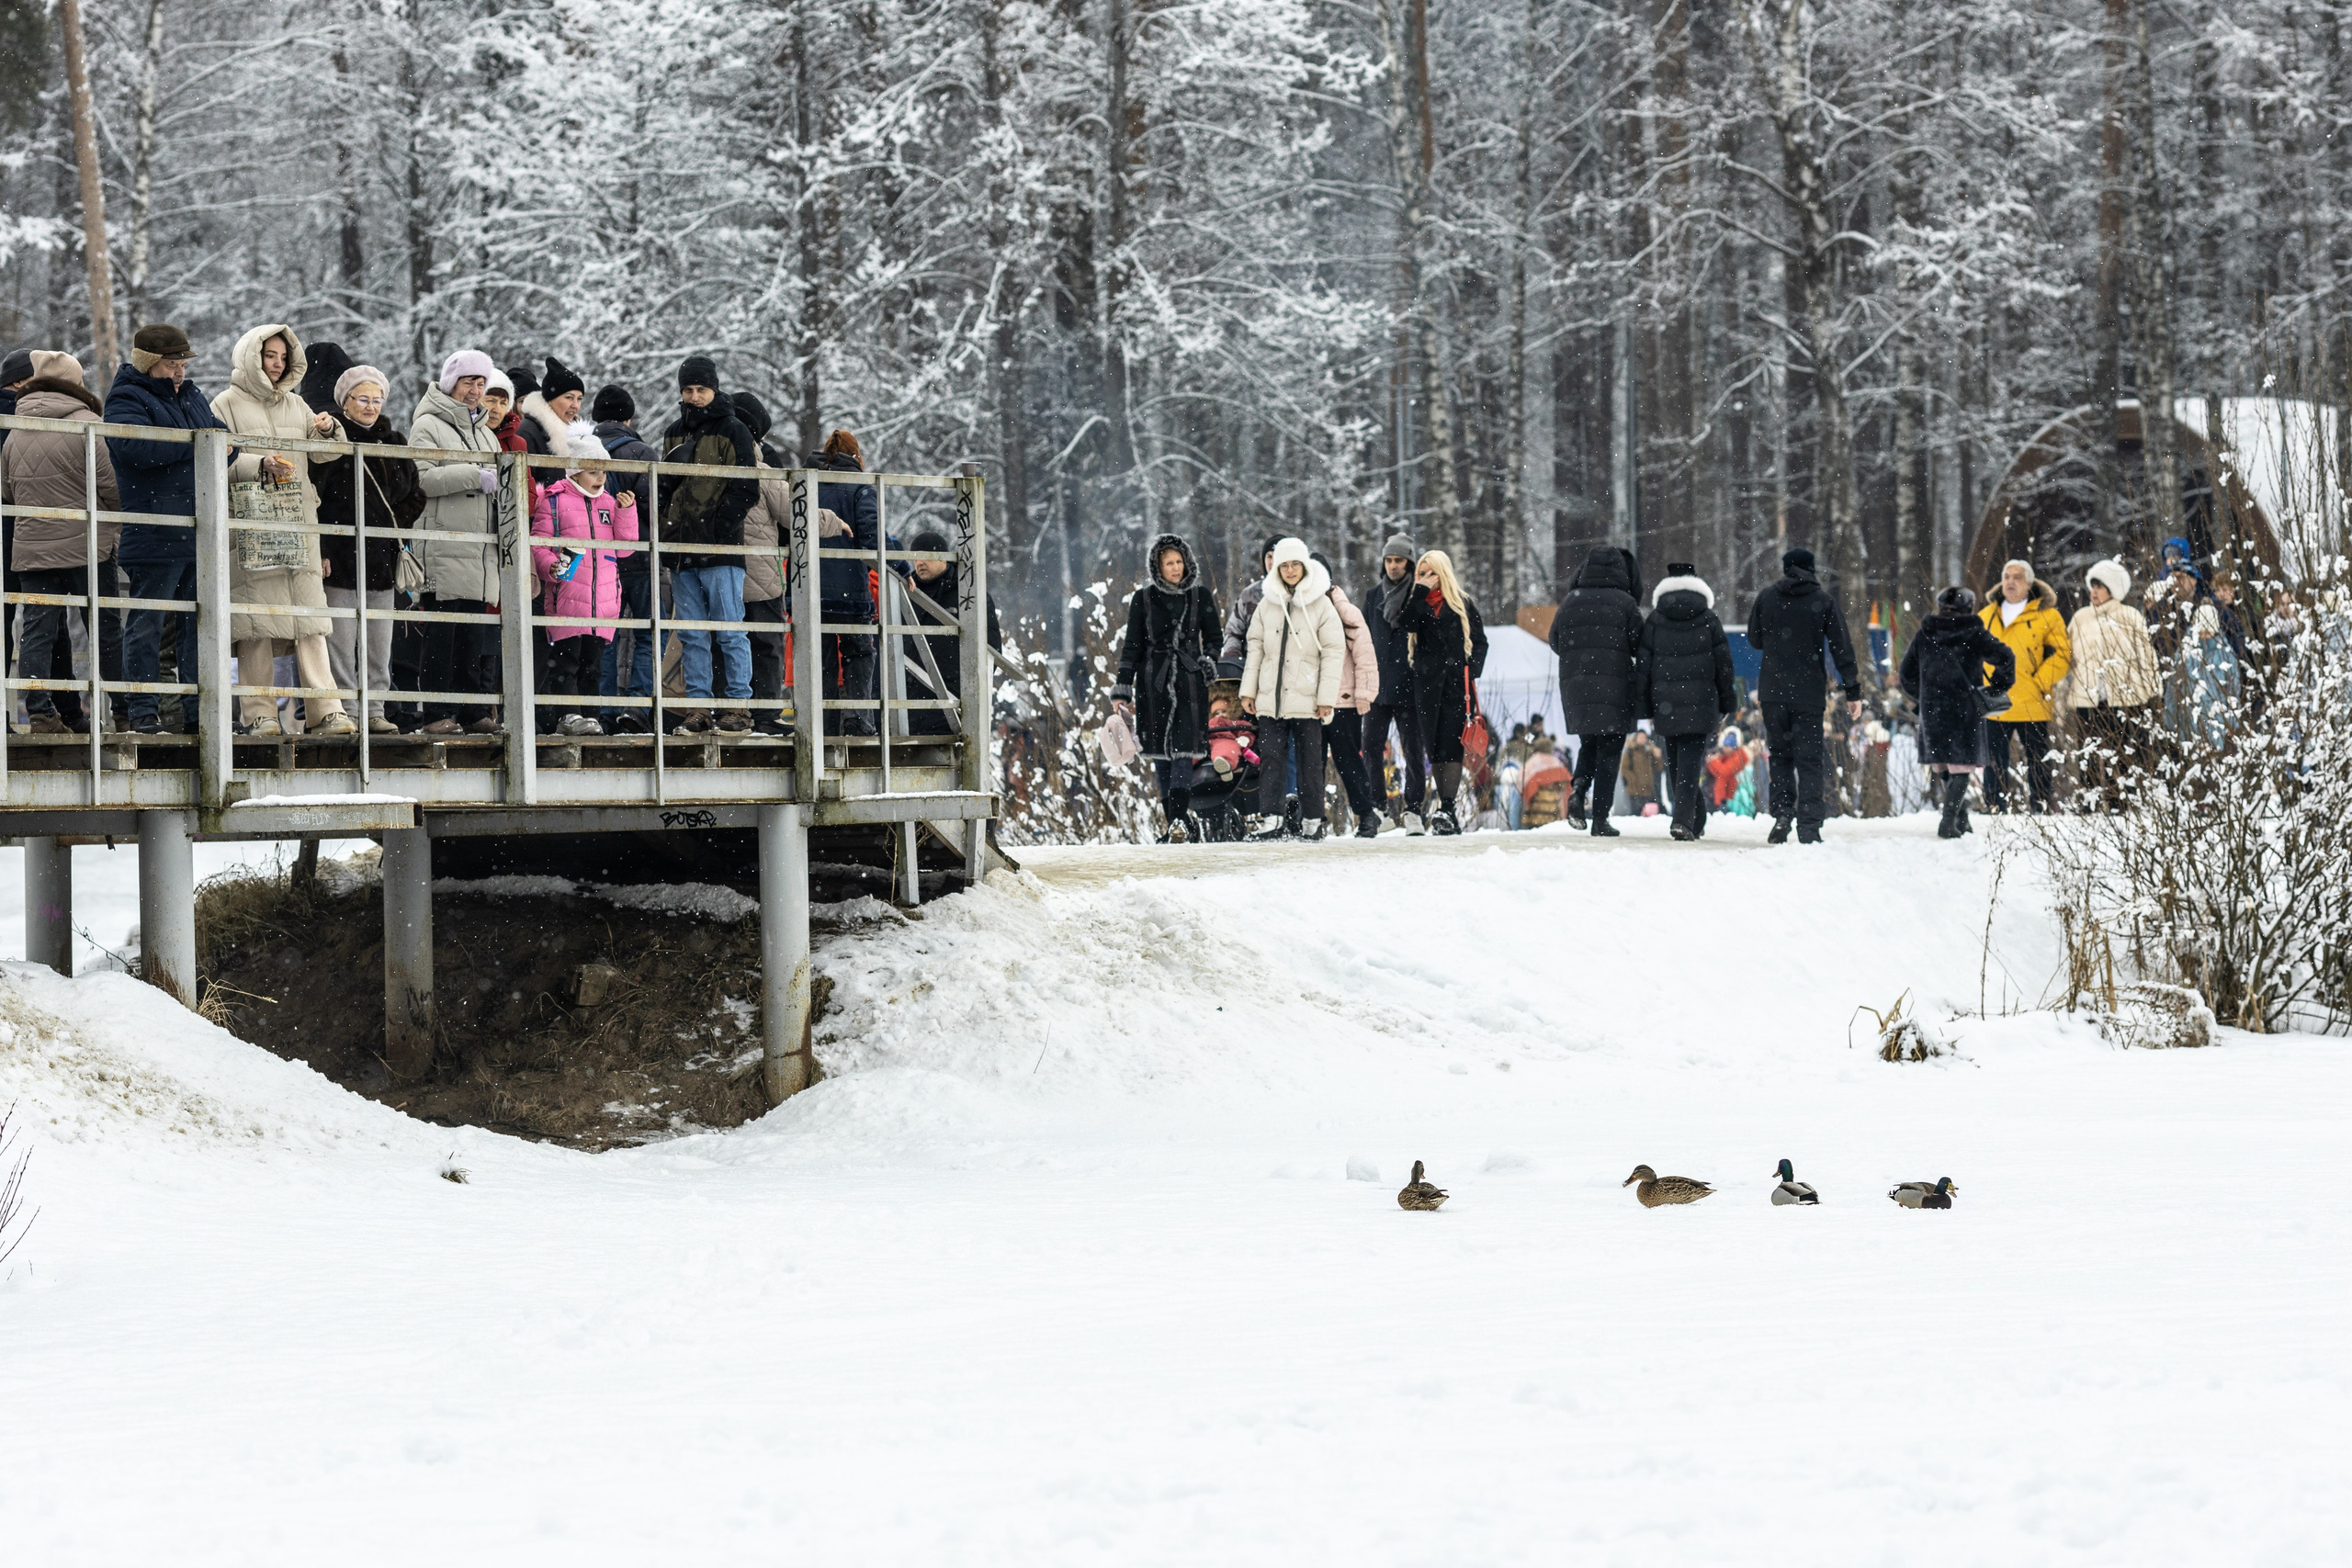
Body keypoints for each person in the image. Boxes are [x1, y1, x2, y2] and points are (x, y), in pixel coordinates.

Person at [209, 324, 355, 736]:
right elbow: (214, 458)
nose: (277, 364)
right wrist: (260, 464)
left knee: (310, 619)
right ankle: (260, 714)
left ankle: (326, 710)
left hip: (297, 519)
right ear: (251, 357)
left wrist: (327, 430)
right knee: (257, 622)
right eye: (269, 356)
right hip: (253, 520)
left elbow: (328, 455)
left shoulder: (299, 405)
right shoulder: (224, 404)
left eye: (282, 357)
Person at [106, 324, 227, 733]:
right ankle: (143, 713)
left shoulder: (190, 394)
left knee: (199, 627)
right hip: (154, 528)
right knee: (147, 626)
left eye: (182, 363)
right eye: (171, 364)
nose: (179, 371)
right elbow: (134, 448)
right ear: (148, 363)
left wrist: (211, 445)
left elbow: (223, 441)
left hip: (197, 530)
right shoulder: (126, 396)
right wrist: (199, 444)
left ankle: (198, 717)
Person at [2, 352, 122, 733]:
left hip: (32, 547)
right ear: (75, 383)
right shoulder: (89, 426)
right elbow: (114, 489)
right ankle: (123, 707)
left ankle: (38, 710)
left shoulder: (16, 426)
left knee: (38, 630)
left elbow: (7, 490)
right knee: (102, 626)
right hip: (87, 546)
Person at [309, 364, 424, 734]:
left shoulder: (395, 442)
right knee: (340, 640)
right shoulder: (331, 444)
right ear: (345, 402)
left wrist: (392, 526)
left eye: (377, 399)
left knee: (379, 643)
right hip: (340, 557)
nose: (371, 406)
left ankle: (375, 709)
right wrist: (324, 546)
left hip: (382, 559)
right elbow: (317, 499)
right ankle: (346, 710)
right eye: (362, 398)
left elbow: (414, 494)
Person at [408, 349, 506, 736]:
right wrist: (471, 475)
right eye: (469, 382)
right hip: (445, 544)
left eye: (481, 384)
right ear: (452, 383)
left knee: (471, 635)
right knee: (442, 636)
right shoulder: (427, 425)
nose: (476, 391)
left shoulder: (485, 432)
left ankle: (470, 710)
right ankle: (436, 712)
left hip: (479, 549)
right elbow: (421, 479)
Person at [661, 356, 762, 733]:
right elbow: (667, 485)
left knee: (729, 629)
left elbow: (745, 486)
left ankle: (738, 706)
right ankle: (698, 708)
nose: (694, 396)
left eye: (701, 389)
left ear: (714, 389)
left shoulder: (733, 429)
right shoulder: (675, 430)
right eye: (688, 390)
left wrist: (719, 527)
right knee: (692, 633)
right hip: (683, 549)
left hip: (719, 549)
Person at [1745, 546, 1862, 843]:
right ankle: (1809, 827)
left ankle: (1783, 815)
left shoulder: (1767, 597)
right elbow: (1841, 646)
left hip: (1772, 692)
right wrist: (1853, 690)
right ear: (1812, 570)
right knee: (1810, 760)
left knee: (1780, 756)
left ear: (1786, 568)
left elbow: (1755, 639)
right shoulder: (1822, 601)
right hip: (1808, 693)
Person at [529, 432, 639, 738]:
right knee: (567, 662)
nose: (600, 477)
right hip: (566, 596)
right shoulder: (554, 499)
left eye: (603, 470)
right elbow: (539, 543)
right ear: (574, 470)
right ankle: (568, 714)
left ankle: (591, 717)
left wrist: (627, 512)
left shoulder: (609, 502)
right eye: (593, 470)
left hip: (602, 599)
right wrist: (548, 565)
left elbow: (625, 548)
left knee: (593, 665)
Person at [1112, 534, 1219, 840]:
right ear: (1157, 567)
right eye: (1168, 563)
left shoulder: (1200, 596)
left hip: (1189, 682)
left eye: (1179, 561)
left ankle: (1178, 823)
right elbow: (1132, 646)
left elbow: (1214, 638)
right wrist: (1123, 687)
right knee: (1160, 755)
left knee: (1183, 751)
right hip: (1152, 684)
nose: (1175, 567)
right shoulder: (1143, 599)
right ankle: (1175, 823)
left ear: (1187, 562)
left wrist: (1208, 662)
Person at [1241, 537, 1346, 840]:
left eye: (1295, 564)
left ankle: (1313, 821)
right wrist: (1249, 691)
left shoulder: (1321, 603)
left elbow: (1334, 650)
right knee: (1271, 759)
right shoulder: (1266, 604)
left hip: (1309, 698)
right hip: (1271, 698)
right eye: (1284, 565)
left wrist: (1326, 698)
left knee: (1310, 761)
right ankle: (1271, 820)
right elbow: (1255, 647)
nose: (1289, 570)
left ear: (1304, 567)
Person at [1900, 587, 2017, 839]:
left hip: (1933, 710)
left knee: (1943, 765)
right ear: (1969, 607)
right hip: (1965, 710)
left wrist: (1922, 696)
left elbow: (1905, 673)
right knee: (1961, 767)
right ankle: (1948, 821)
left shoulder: (1926, 633)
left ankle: (1961, 819)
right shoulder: (1974, 634)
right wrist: (1997, 686)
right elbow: (2006, 657)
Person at [1547, 543, 1645, 838]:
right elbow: (1640, 643)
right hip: (1615, 686)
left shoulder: (1570, 601)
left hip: (1576, 687)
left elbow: (1555, 640)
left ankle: (1578, 790)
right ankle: (1600, 818)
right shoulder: (1625, 603)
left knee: (1589, 745)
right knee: (1610, 750)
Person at [1637, 561, 1736, 841]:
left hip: (1665, 703)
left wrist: (1644, 706)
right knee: (1690, 764)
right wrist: (1727, 701)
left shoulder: (1655, 620)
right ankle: (1683, 820)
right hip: (1701, 702)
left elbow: (1644, 665)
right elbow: (1724, 664)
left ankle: (1694, 818)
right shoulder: (1708, 618)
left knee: (1676, 764)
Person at [1400, 548, 1488, 835]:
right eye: (1421, 573)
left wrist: (1469, 668)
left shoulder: (1462, 603)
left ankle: (1447, 808)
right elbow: (1406, 624)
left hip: (1454, 687)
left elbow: (1480, 641)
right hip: (1426, 687)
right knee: (1434, 748)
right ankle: (1444, 809)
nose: (1426, 578)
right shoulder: (1418, 603)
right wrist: (1418, 593)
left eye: (1431, 573)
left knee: (1451, 746)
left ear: (1444, 572)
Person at [588, 384, 660, 729]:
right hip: (642, 557)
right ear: (629, 419)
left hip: (601, 561)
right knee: (648, 633)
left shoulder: (583, 450)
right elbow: (654, 507)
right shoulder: (642, 453)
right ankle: (635, 708)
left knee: (606, 637)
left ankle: (602, 710)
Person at [1975, 558, 2071, 813]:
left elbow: (2062, 654)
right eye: (2007, 576)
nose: (2010, 581)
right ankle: (1995, 809)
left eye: (2017, 577)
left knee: (2038, 760)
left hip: (2033, 700)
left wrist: (2040, 682)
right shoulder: (1986, 616)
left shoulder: (2047, 615)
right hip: (1996, 699)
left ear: (2029, 584)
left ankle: (2041, 808)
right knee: (1994, 761)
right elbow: (1971, 653)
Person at [2065, 558, 2159, 810]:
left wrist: (2153, 691)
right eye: (2092, 586)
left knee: (2123, 754)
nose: (2094, 592)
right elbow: (2066, 656)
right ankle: (2089, 804)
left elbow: (2146, 656)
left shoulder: (2129, 616)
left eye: (2100, 586)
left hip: (2125, 699)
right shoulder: (2080, 618)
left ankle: (2121, 806)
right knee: (2088, 753)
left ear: (2113, 589)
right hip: (2087, 699)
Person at [808, 423, 880, 736]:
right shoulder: (861, 486)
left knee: (820, 659)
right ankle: (856, 720)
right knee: (859, 653)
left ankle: (819, 726)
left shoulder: (807, 483)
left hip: (810, 588)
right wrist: (901, 568)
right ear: (856, 456)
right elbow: (871, 537)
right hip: (850, 592)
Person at [899, 526, 1002, 738]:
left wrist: (967, 687)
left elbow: (991, 648)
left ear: (943, 558)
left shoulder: (970, 594)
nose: (919, 563)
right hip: (908, 706)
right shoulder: (902, 592)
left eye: (925, 557)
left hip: (955, 702)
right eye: (915, 558)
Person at [1359, 534, 1426, 830]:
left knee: (1412, 748)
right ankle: (1378, 808)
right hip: (1377, 686)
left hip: (1410, 685)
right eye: (1389, 560)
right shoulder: (1373, 596)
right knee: (1371, 746)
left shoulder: (1417, 594)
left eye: (1399, 560)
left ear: (1409, 563)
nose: (1393, 566)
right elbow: (1361, 638)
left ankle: (1413, 810)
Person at [1316, 550, 1383, 837]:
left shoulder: (1345, 610)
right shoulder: (1301, 610)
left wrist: (1365, 693)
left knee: (1348, 760)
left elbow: (1365, 655)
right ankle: (1313, 818)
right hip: (1311, 702)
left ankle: (1366, 813)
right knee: (1312, 763)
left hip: (1343, 701)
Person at [2165, 602, 2241, 750]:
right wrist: (2170, 719)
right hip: (2188, 720)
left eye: (2209, 632)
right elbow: (2172, 688)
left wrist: (2232, 721)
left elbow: (2233, 689)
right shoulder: (2184, 653)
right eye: (2201, 632)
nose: (2204, 637)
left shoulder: (2225, 654)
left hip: (2217, 721)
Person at [515, 355, 583, 487]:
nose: (575, 405)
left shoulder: (580, 435)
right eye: (569, 398)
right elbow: (522, 485)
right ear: (550, 399)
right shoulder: (527, 431)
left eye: (579, 399)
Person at [1221, 534, 1284, 661]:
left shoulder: (1300, 594)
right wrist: (1234, 662)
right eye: (1269, 556)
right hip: (1253, 668)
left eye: (1277, 556)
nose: (1272, 562)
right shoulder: (1249, 595)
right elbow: (1233, 633)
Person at [1617, 728, 1663, 817]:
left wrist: (1658, 757)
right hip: (1634, 789)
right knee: (1635, 814)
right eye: (1640, 737)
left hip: (1648, 789)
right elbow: (1624, 769)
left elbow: (1658, 768)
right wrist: (1632, 779)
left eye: (1644, 737)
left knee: (1648, 815)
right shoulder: (1630, 751)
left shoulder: (1649, 752)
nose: (1642, 739)